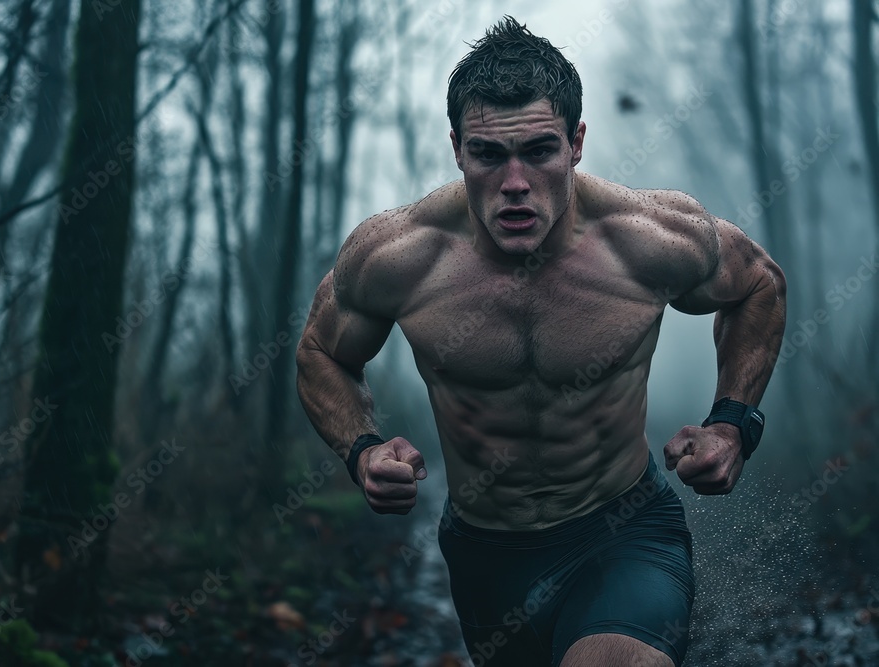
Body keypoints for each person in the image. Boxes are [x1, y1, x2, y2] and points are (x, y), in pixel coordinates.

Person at [295, 15, 786, 667]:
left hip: (623, 532)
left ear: (577, 142)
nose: (515, 181)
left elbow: (760, 287)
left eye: (539, 150)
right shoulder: (400, 255)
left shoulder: (645, 238)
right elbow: (321, 352)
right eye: (490, 155)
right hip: (485, 556)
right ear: (457, 148)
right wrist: (362, 451)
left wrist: (731, 425)